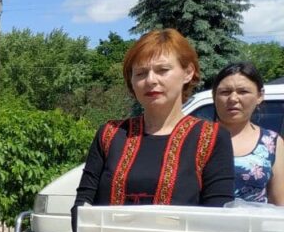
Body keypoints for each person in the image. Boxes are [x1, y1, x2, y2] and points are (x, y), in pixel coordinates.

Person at [74, 29, 234, 222]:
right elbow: (82, 206)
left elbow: (218, 217)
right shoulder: (111, 134)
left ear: (188, 73)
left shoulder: (210, 138)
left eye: (162, 70)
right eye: (140, 73)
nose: (150, 80)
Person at [211, 62, 283, 204]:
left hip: (254, 225)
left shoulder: (272, 142)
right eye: (225, 92)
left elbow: (280, 204)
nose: (233, 99)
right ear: (214, 96)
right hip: (202, 225)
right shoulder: (198, 136)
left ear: (259, 96)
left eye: (243, 91)